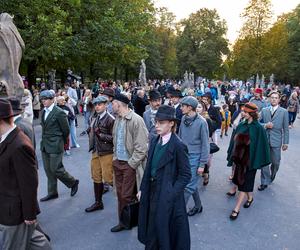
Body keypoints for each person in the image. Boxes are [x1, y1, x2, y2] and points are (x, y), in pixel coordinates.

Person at [138, 105, 191, 250]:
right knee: (151, 226)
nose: (157, 126)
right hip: (151, 191)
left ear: (171, 123)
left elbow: (186, 175)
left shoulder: (179, 146)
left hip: (167, 195)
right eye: (156, 122)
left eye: (161, 123)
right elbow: (148, 168)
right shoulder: (155, 140)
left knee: (165, 231)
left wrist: (171, 193)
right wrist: (142, 189)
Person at [0, 99, 51, 250]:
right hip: (8, 208)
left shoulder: (19, 144)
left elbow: (29, 183)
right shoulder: (6, 139)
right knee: (37, 243)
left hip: (14, 213)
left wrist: (29, 214)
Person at [110, 94, 148, 232]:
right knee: (120, 194)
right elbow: (116, 141)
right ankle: (125, 221)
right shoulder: (118, 119)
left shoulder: (136, 120)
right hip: (118, 162)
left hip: (129, 164)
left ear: (119, 104)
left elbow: (142, 147)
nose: (111, 105)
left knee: (126, 195)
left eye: (113, 103)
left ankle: (130, 221)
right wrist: (115, 158)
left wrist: (131, 164)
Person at [227, 103, 270, 220]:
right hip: (239, 161)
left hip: (251, 162)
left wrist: (256, 161)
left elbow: (261, 146)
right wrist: (232, 155)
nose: (243, 113)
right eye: (243, 111)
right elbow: (234, 142)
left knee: (243, 184)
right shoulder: (241, 124)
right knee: (243, 183)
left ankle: (236, 209)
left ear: (251, 114)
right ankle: (250, 198)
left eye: (245, 112)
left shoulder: (259, 128)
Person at [39, 90, 79, 202]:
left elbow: (66, 130)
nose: (43, 101)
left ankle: (72, 182)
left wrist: (59, 140)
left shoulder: (59, 112)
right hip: (45, 144)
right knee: (48, 170)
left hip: (56, 144)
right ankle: (52, 192)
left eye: (45, 99)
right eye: (42, 99)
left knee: (56, 169)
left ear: (52, 100)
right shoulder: (43, 112)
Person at [179, 96, 209, 216]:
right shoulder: (183, 118)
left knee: (188, 186)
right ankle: (198, 206)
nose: (181, 108)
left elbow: (205, 145)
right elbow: (180, 137)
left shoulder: (202, 122)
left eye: (183, 106)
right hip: (184, 156)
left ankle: (179, 212)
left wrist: (202, 164)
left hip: (195, 157)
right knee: (192, 183)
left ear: (190, 107)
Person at [85, 96, 115, 212]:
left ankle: (128, 199)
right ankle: (98, 202)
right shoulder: (95, 117)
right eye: (96, 104)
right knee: (96, 176)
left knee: (109, 178)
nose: (97, 106)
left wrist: (101, 135)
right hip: (96, 151)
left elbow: (115, 138)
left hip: (107, 152)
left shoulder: (110, 119)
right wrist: (91, 132)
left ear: (106, 105)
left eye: (100, 104)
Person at [258, 91, 289, 190]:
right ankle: (264, 181)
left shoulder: (284, 112)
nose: (274, 99)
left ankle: (272, 176)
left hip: (276, 141)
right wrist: (265, 125)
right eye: (272, 97)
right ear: (269, 99)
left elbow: (286, 129)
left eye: (276, 98)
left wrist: (285, 142)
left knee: (275, 162)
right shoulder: (264, 110)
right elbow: (256, 122)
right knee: (264, 162)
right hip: (264, 140)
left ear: (279, 100)